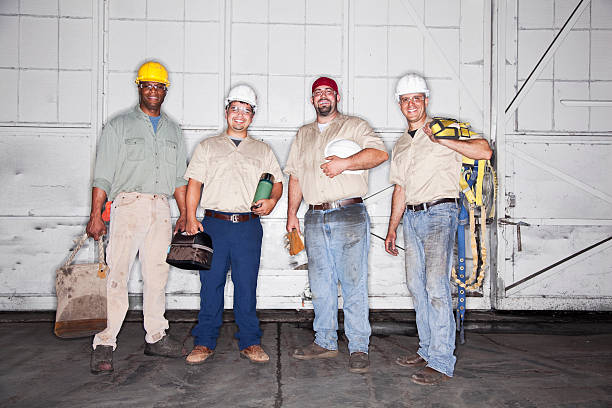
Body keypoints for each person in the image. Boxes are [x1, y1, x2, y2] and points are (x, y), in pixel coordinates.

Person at [384, 73, 492, 385]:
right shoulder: (402, 143)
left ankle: (442, 361)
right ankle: (427, 348)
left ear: (425, 101)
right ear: (400, 105)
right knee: (416, 288)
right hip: (412, 218)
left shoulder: (446, 128)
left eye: (416, 98)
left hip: (440, 212)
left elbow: (484, 150)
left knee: (435, 286)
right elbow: (400, 189)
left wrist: (443, 140)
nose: (411, 104)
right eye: (405, 100)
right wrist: (392, 229)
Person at [86, 61, 189, 374]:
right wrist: (96, 215)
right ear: (139, 87)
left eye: (159, 86)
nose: (153, 91)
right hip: (128, 206)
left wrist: (185, 215)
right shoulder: (118, 126)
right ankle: (105, 341)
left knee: (157, 275)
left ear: (165, 90)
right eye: (148, 85)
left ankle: (156, 336)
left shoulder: (173, 130)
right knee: (116, 274)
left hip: (160, 208)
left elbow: (179, 181)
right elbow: (103, 175)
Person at [285, 77, 388, 373]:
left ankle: (358, 347)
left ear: (337, 96)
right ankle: (325, 342)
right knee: (320, 284)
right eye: (318, 93)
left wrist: (345, 164)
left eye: (328, 92)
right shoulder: (303, 134)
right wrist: (292, 214)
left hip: (348, 213)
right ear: (312, 100)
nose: (323, 97)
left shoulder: (354, 126)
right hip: (314, 216)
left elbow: (379, 154)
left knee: (353, 282)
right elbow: (294, 176)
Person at [183, 84, 283, 365]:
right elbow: (194, 184)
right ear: (226, 111)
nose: (240, 115)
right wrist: (191, 217)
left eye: (246, 110)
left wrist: (273, 201)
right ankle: (204, 342)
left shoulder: (262, 150)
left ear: (253, 115)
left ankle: (250, 341)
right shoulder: (208, 147)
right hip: (213, 226)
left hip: (248, 227)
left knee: (246, 285)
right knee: (210, 285)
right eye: (235, 108)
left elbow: (277, 182)